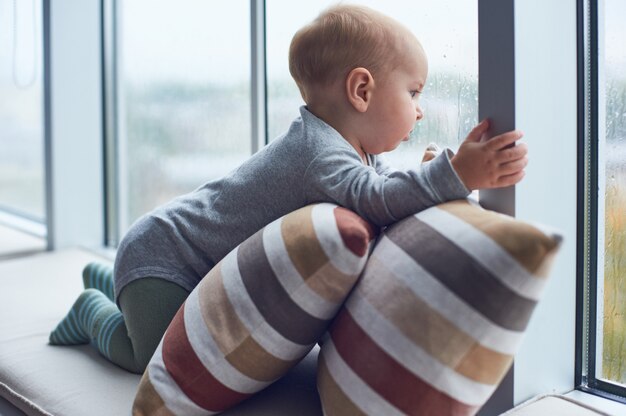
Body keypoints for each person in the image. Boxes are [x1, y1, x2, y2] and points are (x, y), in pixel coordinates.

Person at [49, 4, 527, 374]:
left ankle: (112, 279)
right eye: (414, 92)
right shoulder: (318, 153)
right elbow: (378, 200)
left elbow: (379, 189)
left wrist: (427, 177)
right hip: (168, 258)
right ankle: (93, 310)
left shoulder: (348, 151)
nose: (420, 110)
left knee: (150, 304)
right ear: (361, 91)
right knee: (150, 356)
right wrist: (457, 174)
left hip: (168, 254)